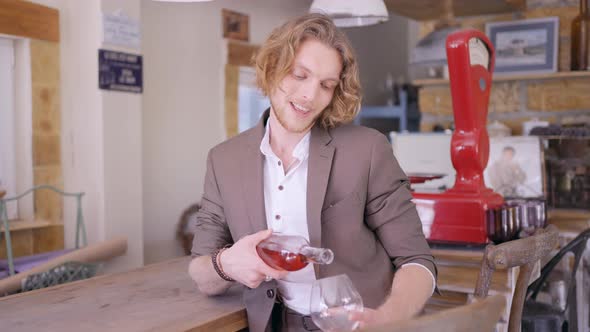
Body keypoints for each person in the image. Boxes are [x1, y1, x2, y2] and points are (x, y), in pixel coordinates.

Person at [188, 13, 436, 332]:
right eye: (299, 74)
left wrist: (387, 318)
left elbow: (418, 262)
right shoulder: (224, 160)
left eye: (326, 85)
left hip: (360, 325)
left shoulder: (368, 150)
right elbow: (200, 271)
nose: (309, 95)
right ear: (273, 66)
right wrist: (226, 264)